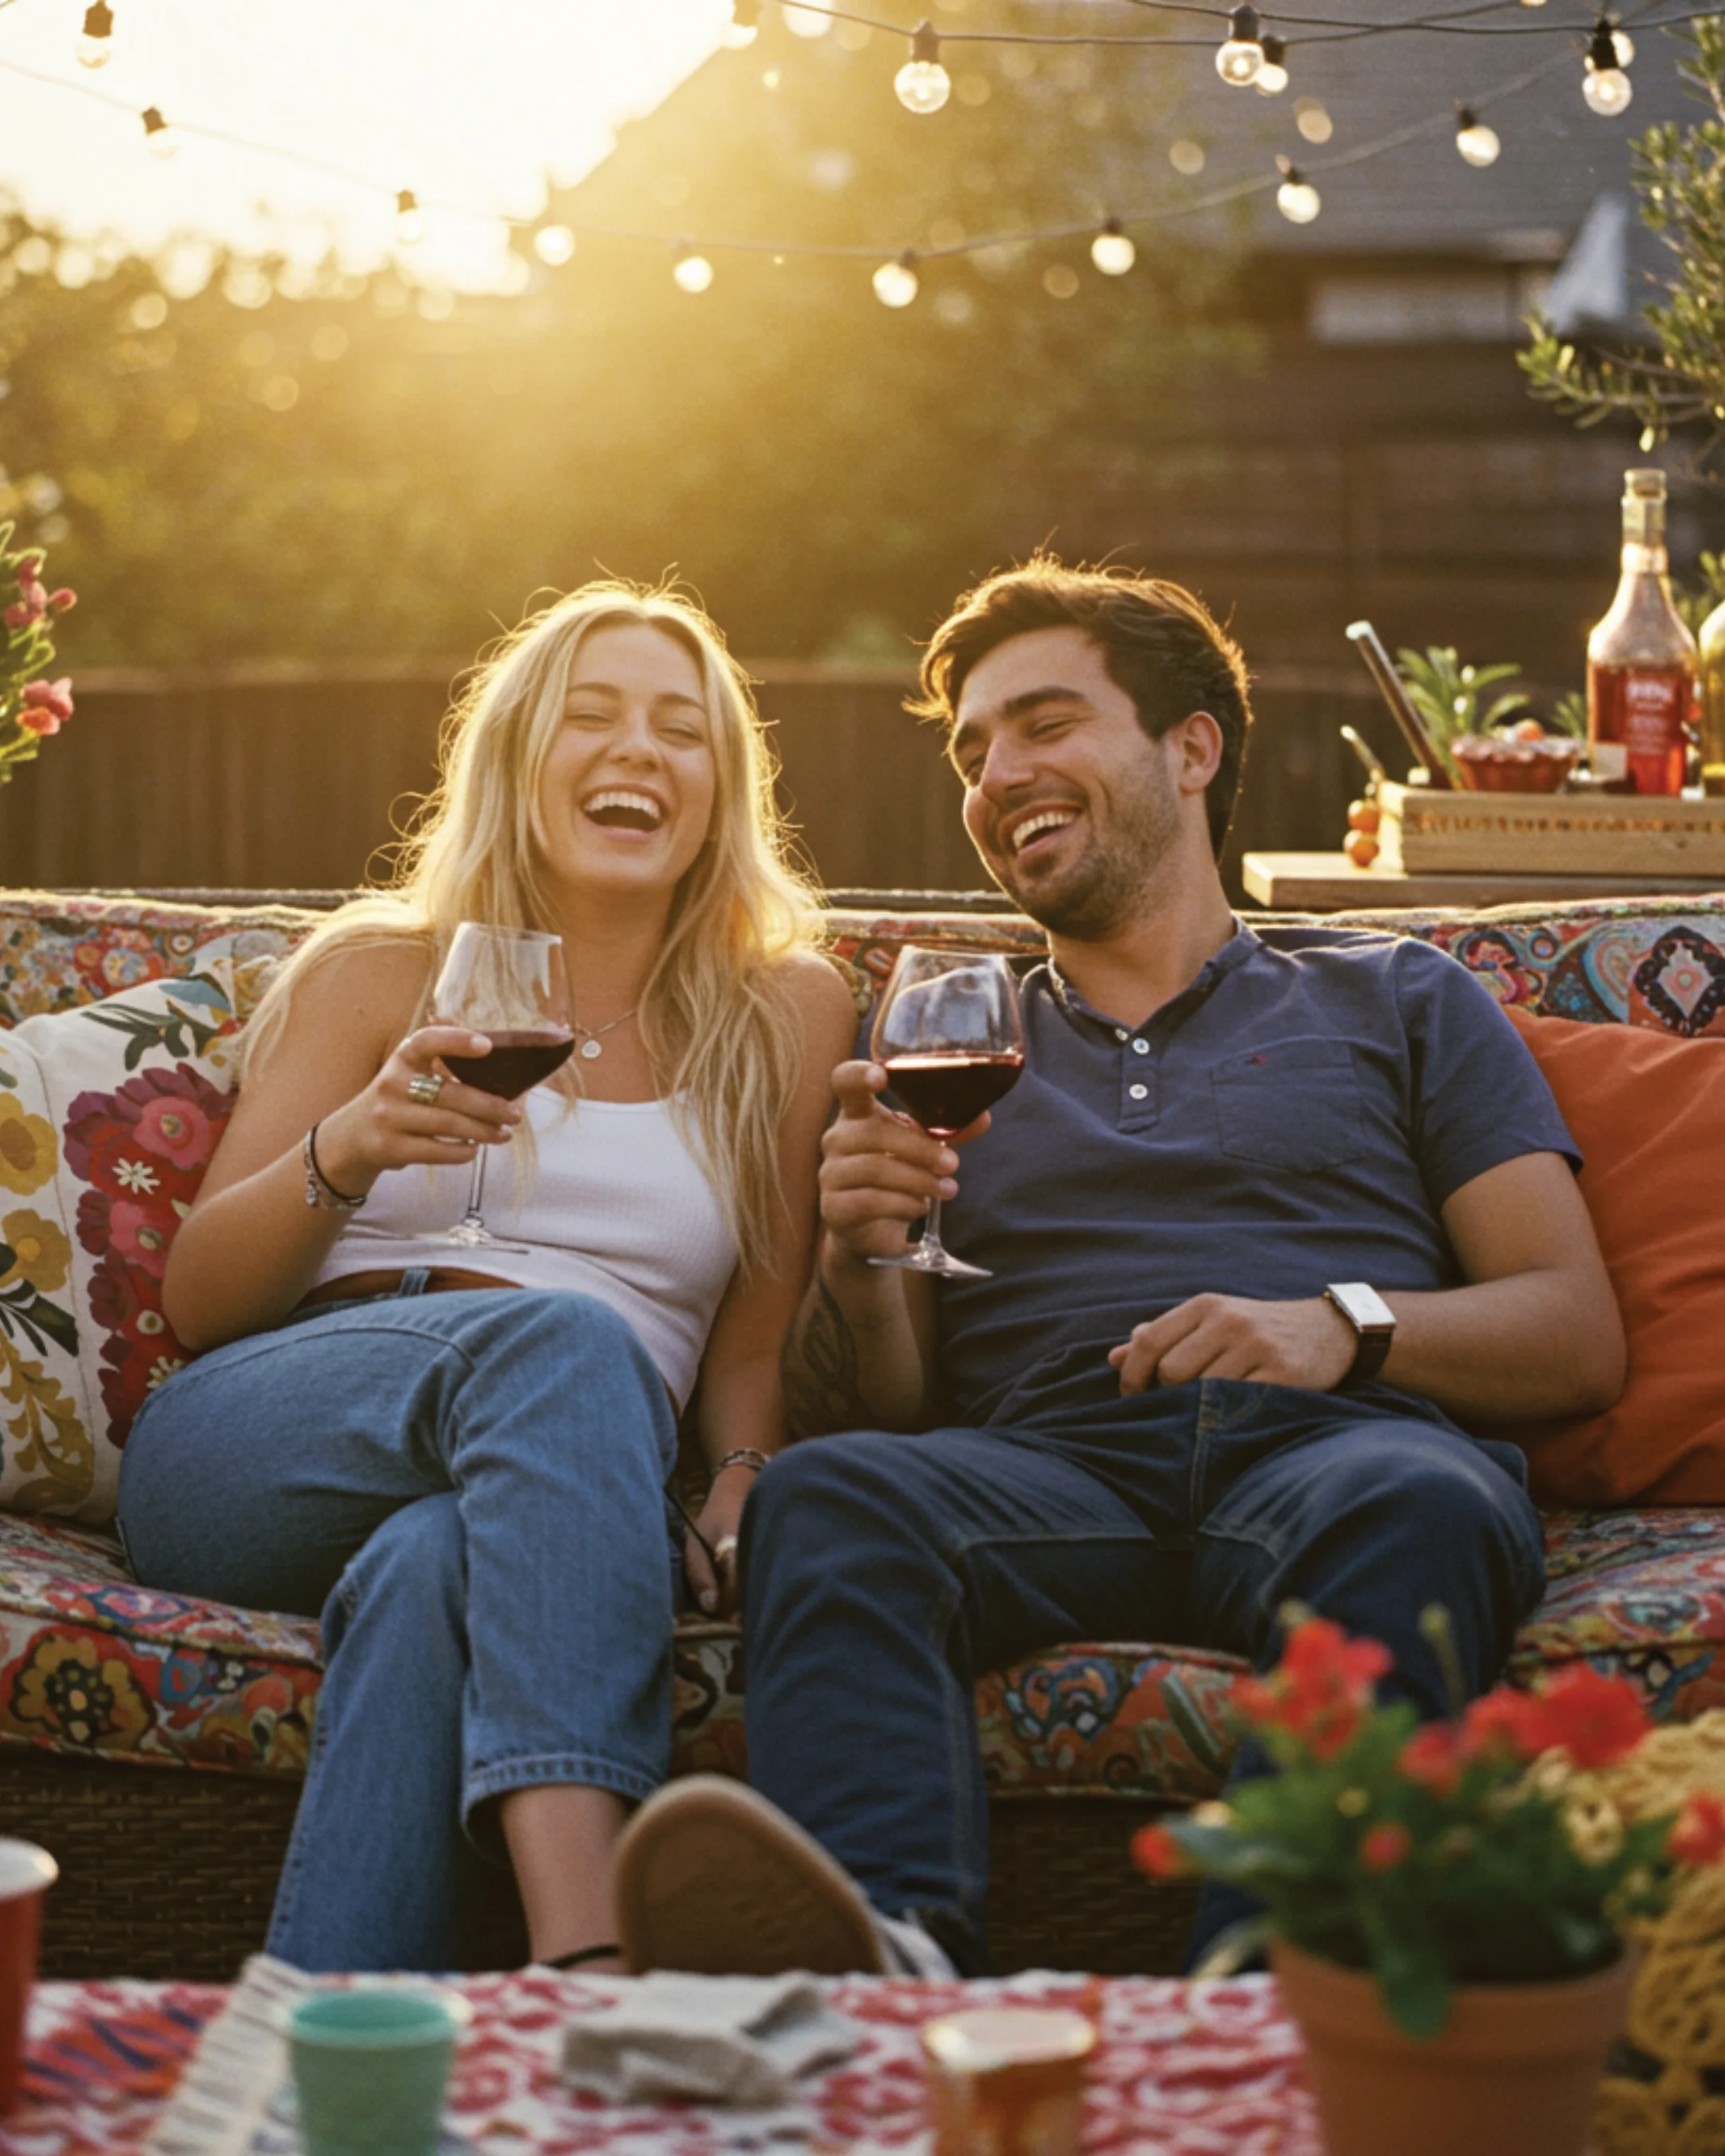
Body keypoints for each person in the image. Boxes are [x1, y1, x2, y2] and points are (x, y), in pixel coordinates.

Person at [609, 556, 1627, 1982]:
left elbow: (1574, 1331)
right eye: (975, 751)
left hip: (1337, 1455)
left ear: (1191, 750)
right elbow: (894, 1408)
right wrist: (867, 1259)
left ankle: (1270, 2001)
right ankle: (884, 1964)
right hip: (1048, 1468)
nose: (998, 774)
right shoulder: (947, 1034)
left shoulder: (1398, 994)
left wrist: (1338, 1327)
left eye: (1044, 724)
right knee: (829, 1497)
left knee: (1428, 1505)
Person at [115, 581, 857, 1974]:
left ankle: (332, 2039)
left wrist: (745, 1476)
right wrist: (349, 1147)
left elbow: (749, 1339)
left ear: (722, 789)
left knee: (433, 1571)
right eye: (593, 716)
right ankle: (593, 1951)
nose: (637, 750)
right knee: (567, 1343)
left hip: (558, 1484)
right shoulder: (382, 972)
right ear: (517, 756)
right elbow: (202, 1302)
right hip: (268, 1441)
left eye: (680, 730)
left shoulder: (788, 1012)